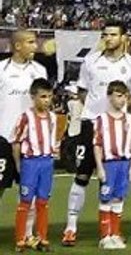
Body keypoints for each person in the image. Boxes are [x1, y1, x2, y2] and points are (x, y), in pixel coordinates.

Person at [63, 22, 131, 247]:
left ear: (124, 37)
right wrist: (95, 111)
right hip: (92, 124)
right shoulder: (91, 61)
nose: (108, 38)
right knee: (83, 175)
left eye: (113, 34)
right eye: (105, 34)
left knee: (114, 180)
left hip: (117, 127)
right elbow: (83, 90)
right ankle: (71, 227)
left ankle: (109, 232)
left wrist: (120, 108)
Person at [0, 29, 48, 247]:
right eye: (30, 42)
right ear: (17, 46)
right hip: (2, 138)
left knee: (27, 191)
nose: (35, 46)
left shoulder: (39, 71)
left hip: (29, 142)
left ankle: (27, 235)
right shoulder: (1, 70)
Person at [12, 78, 57, 252]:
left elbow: (53, 138)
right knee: (25, 202)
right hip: (30, 162)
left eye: (49, 96)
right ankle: (21, 240)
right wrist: (18, 164)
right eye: (43, 96)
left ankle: (43, 238)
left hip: (46, 162)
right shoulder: (26, 117)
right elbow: (16, 142)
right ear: (33, 97)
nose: (47, 100)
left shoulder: (52, 118)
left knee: (43, 202)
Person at [93, 81, 131, 250]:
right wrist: (100, 167)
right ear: (110, 97)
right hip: (109, 163)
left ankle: (115, 234)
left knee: (119, 198)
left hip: (124, 163)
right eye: (119, 96)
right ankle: (105, 236)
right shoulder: (101, 119)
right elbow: (97, 144)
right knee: (106, 198)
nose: (122, 100)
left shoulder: (129, 119)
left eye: (125, 96)